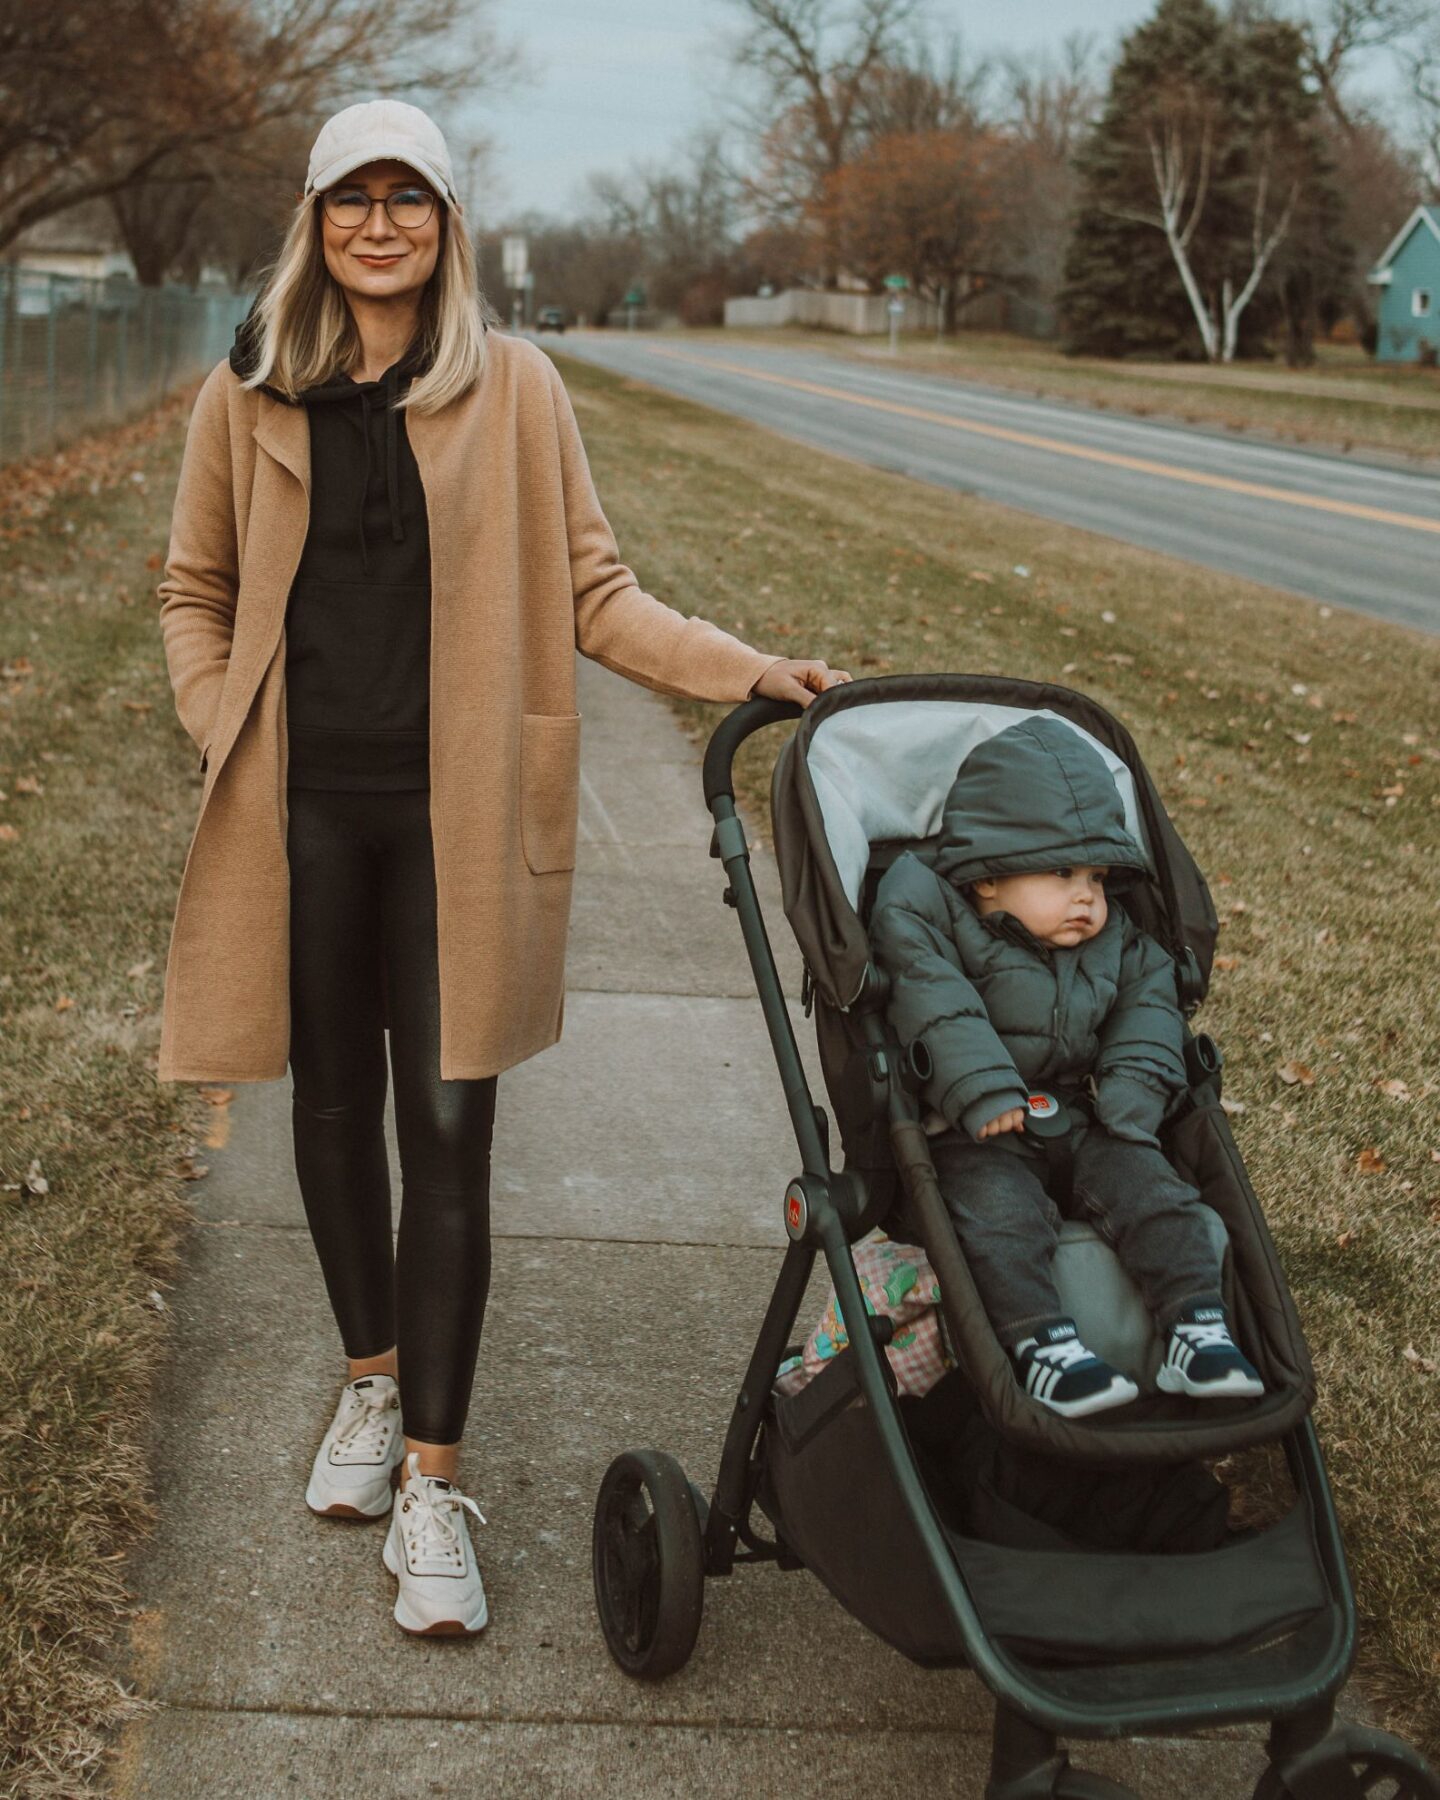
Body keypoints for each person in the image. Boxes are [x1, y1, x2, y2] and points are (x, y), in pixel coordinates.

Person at [156, 98, 851, 1638]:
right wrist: (223, 728)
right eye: (354, 199)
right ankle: (365, 1379)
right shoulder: (252, 390)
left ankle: (430, 1484)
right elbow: (192, 588)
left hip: (458, 826)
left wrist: (749, 669)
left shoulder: (517, 388)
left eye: (410, 199)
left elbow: (598, 590)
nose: (382, 224)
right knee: (331, 1110)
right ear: (318, 223)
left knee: (450, 1128)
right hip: (304, 815)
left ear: (448, 224)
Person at [868, 714, 1263, 1421]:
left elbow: (1151, 1008)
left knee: (1158, 1196)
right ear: (986, 879)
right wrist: (983, 1088)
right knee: (998, 1219)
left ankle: (1195, 1328)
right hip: (972, 1123)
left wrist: (1135, 1092)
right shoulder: (930, 912)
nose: (1088, 895)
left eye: (1097, 876)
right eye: (1061, 873)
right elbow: (936, 1000)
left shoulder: (1118, 940)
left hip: (1089, 1111)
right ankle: (1042, 1345)